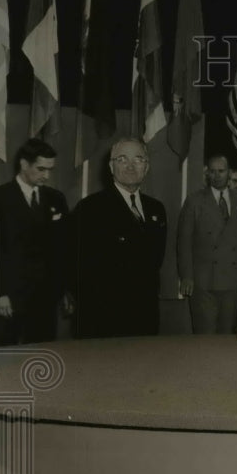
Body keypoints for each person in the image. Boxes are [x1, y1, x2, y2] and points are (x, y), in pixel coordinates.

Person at [70, 138, 167, 338]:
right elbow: (77, 265)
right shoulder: (90, 208)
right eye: (122, 159)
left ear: (146, 167)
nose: (131, 166)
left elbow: (155, 261)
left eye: (138, 160)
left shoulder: (156, 209)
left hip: (145, 315)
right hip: (103, 318)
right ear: (111, 166)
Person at [0, 139, 71, 346]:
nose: (46, 175)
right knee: (2, 359)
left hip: (45, 299)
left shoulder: (56, 198)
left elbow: (62, 248)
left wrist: (64, 289)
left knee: (42, 360)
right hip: (8, 299)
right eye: (41, 169)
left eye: (50, 170)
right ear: (23, 164)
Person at [177, 154, 237, 334]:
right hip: (204, 282)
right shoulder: (194, 201)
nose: (217, 175)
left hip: (233, 282)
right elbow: (184, 242)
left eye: (221, 171)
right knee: (205, 339)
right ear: (207, 174)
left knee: (228, 338)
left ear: (229, 173)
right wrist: (187, 276)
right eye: (212, 171)